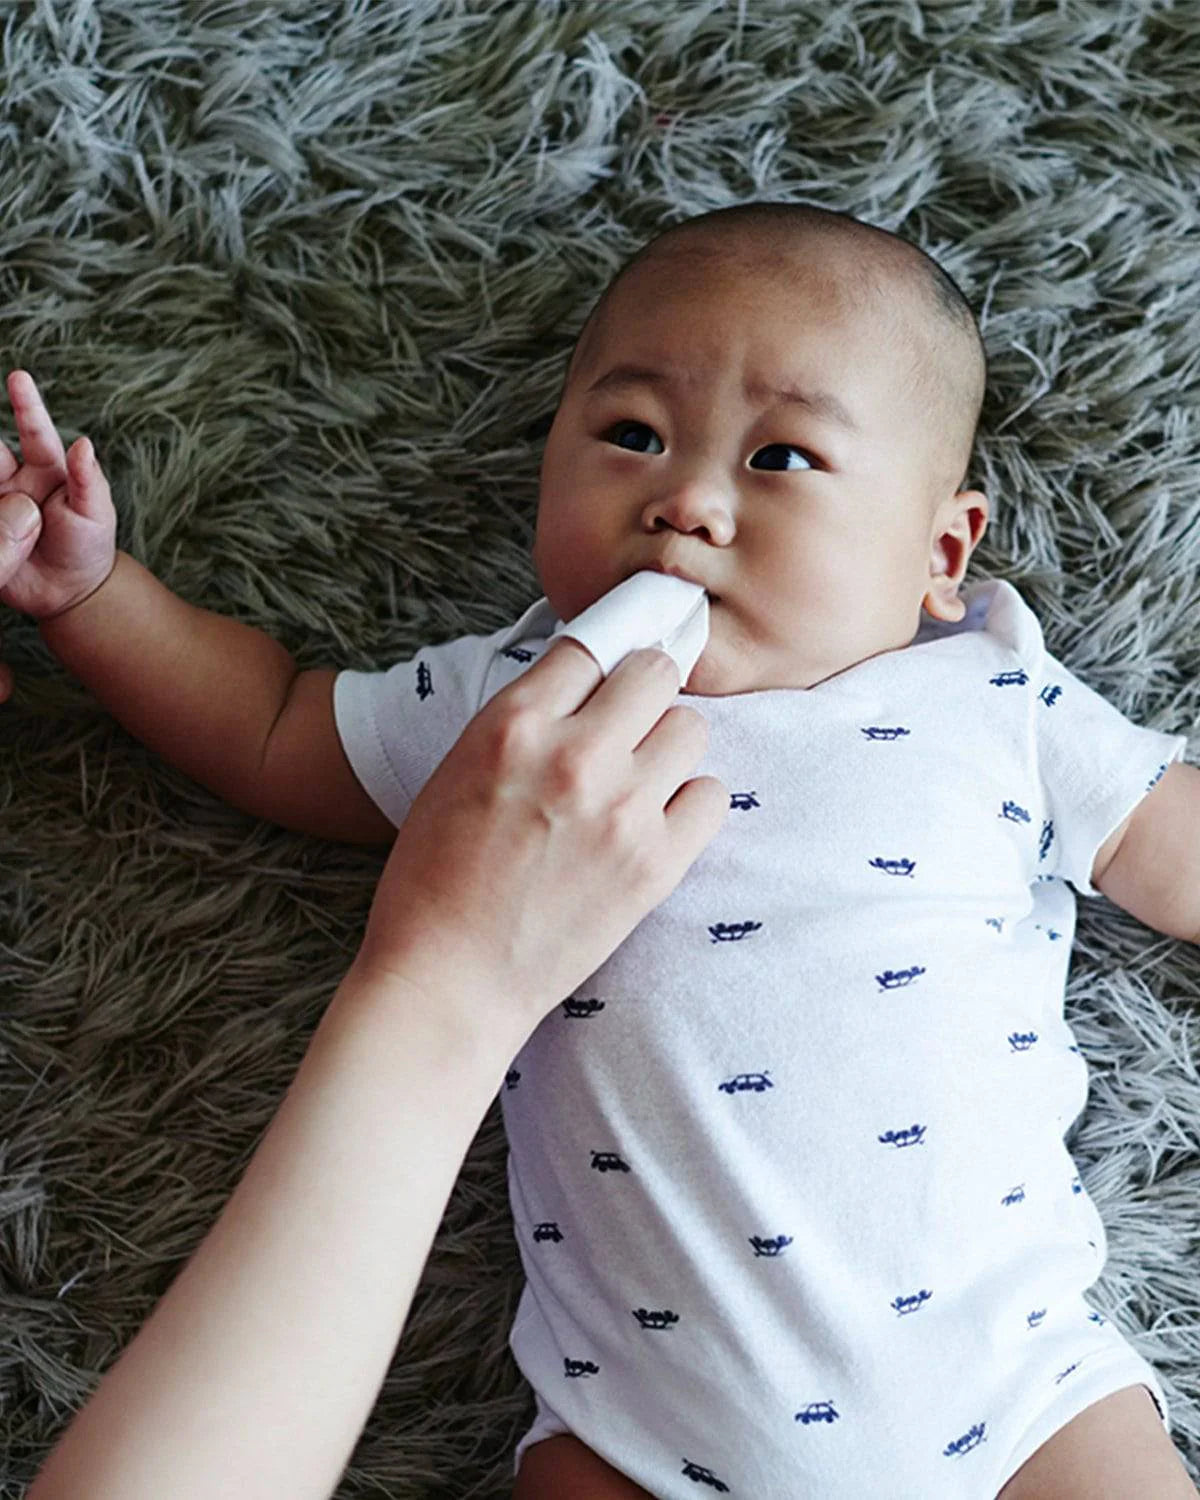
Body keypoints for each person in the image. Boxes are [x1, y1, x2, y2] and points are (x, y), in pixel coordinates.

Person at [5, 199, 1200, 1498]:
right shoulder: (519, 706)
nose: (684, 501)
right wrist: (97, 599)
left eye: (782, 457)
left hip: (1019, 1399)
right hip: (638, 1433)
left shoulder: (997, 702)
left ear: (940, 550)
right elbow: (275, 725)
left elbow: (1175, 847)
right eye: (632, 436)